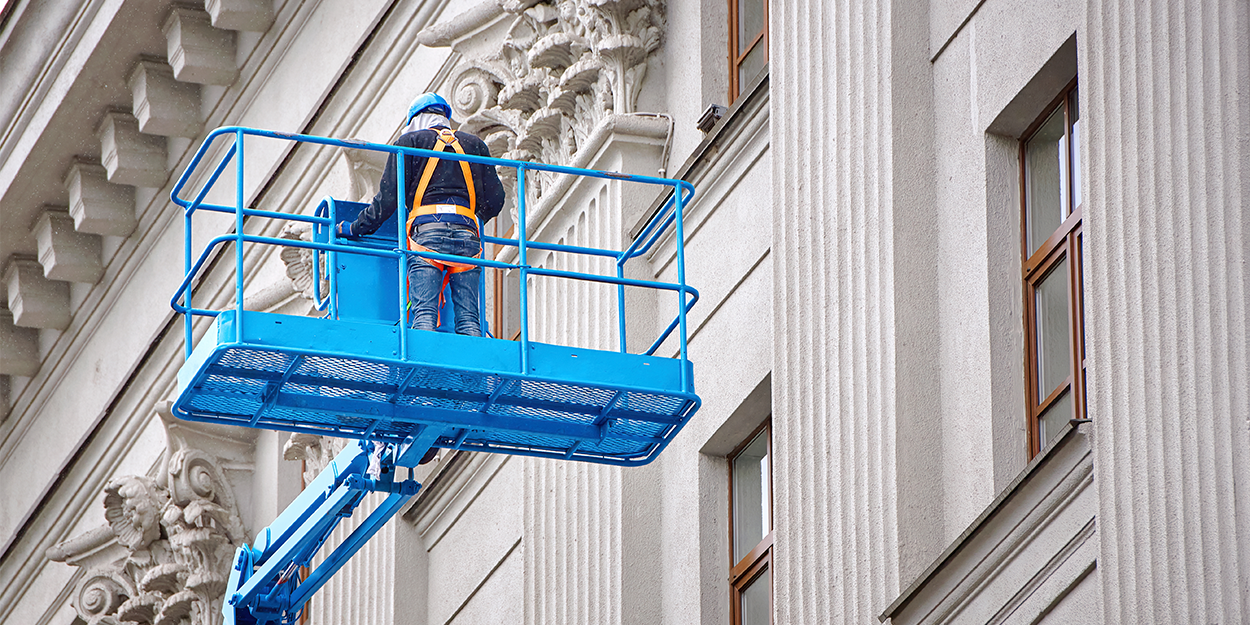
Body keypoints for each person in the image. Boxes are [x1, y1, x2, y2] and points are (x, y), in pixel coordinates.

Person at [338, 92, 506, 336]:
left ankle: (422, 370)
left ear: (416, 119)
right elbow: (496, 200)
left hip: (427, 234)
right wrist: (470, 218)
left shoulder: (410, 142)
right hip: (467, 236)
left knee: (424, 314)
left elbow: (387, 199)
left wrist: (355, 228)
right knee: (469, 319)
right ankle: (474, 374)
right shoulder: (474, 146)